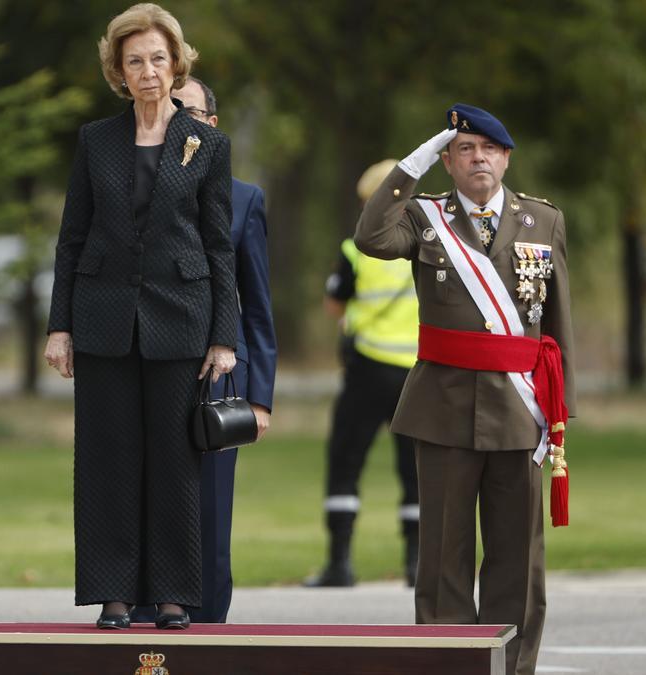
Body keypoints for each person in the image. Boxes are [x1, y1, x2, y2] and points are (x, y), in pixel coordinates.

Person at [355, 103, 575, 675]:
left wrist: (560, 412)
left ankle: (513, 667)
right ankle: (448, 665)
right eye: (464, 149)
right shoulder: (425, 217)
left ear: (505, 158)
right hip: (443, 408)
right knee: (443, 559)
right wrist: (413, 162)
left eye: (489, 149)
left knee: (516, 559)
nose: (479, 158)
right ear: (448, 162)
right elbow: (371, 235)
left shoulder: (543, 220)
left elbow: (558, 321)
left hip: (519, 411)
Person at [44, 3, 237, 631]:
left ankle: (176, 596)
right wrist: (59, 325)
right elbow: (72, 238)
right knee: (108, 460)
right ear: (118, 71)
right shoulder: (95, 140)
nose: (148, 71)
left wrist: (224, 337)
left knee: (175, 465)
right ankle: (115, 595)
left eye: (158, 58)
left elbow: (218, 246)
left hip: (181, 319)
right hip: (102, 321)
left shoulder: (207, 143)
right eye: (135, 61)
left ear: (176, 63)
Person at [129, 75, 276, 625]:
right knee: (142, 502)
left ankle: (209, 629)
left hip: (215, 379)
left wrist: (260, 396)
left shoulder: (244, 199)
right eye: (167, 110)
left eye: (187, 110)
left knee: (208, 513)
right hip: (142, 369)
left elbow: (257, 308)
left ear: (212, 125)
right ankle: (142, 627)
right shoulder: (127, 185)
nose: (176, 120)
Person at [306, 159, 419, 588]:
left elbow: (334, 304)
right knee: (415, 470)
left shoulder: (357, 249)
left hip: (369, 366)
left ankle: (340, 563)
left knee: (346, 461)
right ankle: (416, 562)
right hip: (415, 370)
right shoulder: (427, 244)